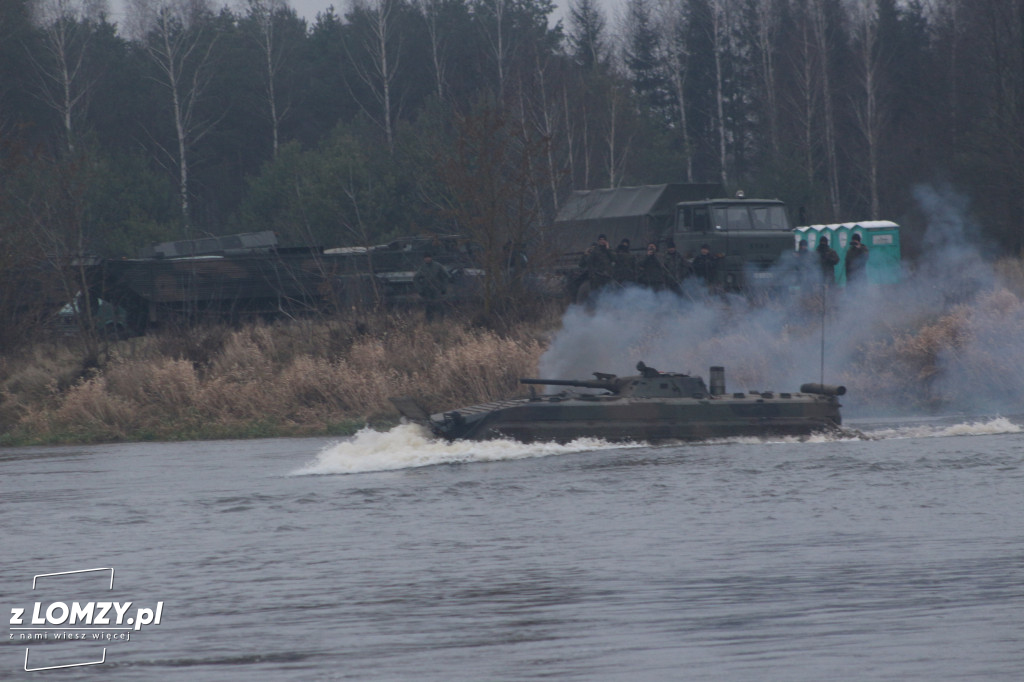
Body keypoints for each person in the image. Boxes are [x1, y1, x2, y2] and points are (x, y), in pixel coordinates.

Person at [413, 252, 450, 321]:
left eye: (428, 257)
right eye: (425, 258)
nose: (427, 259)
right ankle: (429, 321)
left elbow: (446, 276)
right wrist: (420, 290)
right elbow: (416, 278)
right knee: (428, 306)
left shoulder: (438, 266)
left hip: (437, 289)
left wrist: (444, 288)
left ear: (431, 258)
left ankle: (441, 320)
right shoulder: (423, 267)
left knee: (439, 305)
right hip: (427, 290)